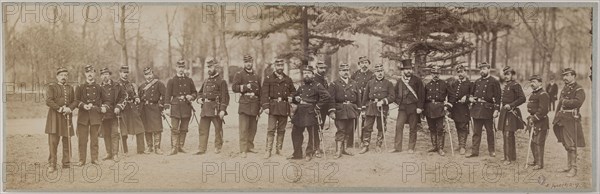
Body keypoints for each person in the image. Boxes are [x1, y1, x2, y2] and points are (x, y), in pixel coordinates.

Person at [288, 65, 331, 161]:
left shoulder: (317, 85)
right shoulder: (302, 87)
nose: (306, 75)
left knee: (312, 134)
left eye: (308, 73)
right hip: (300, 112)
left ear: (312, 74)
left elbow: (327, 96)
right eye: (305, 73)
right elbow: (295, 98)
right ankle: (297, 153)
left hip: (310, 111)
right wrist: (296, 98)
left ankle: (309, 153)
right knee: (295, 133)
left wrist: (317, 107)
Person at [260, 59, 296, 159]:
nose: (280, 67)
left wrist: (291, 96)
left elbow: (293, 91)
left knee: (281, 130)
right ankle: (268, 150)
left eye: (281, 65)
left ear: (283, 66)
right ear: (275, 66)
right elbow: (264, 94)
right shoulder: (269, 79)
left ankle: (279, 149)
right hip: (272, 107)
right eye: (278, 65)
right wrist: (266, 106)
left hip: (284, 108)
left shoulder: (288, 79)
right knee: (271, 129)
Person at [553, 68, 586, 177]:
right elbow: (559, 104)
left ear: (573, 76)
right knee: (566, 144)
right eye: (564, 75)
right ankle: (568, 166)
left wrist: (565, 102)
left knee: (572, 145)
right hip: (562, 119)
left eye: (567, 75)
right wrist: (555, 117)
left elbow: (578, 102)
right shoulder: (565, 88)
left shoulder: (579, 89)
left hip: (572, 120)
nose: (564, 78)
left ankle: (574, 168)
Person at [45, 67, 77, 172]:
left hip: (66, 117)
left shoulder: (70, 88)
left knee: (67, 140)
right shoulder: (52, 87)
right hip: (54, 117)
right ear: (57, 76)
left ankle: (66, 163)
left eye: (65, 75)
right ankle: (52, 164)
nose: (64, 77)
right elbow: (48, 101)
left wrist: (69, 108)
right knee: (53, 142)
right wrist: (59, 108)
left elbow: (75, 101)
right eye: (61, 75)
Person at [195, 58, 230, 155]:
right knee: (202, 129)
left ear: (216, 67)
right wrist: (199, 99)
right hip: (205, 108)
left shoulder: (221, 81)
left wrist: (222, 110)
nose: (209, 69)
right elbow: (200, 92)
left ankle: (218, 147)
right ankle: (202, 148)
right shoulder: (206, 80)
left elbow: (225, 97)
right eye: (208, 67)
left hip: (216, 108)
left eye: (211, 67)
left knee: (218, 129)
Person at [467, 62, 501, 158]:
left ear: (489, 69)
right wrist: (471, 98)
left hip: (488, 110)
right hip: (477, 109)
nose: (482, 71)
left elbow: (498, 97)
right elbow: (471, 94)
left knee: (490, 131)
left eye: (484, 69)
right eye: (481, 69)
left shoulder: (494, 82)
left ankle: (491, 150)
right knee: (476, 132)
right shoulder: (477, 81)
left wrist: (496, 110)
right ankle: (475, 151)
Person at [359, 63, 395, 154]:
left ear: (383, 72)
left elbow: (392, 96)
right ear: (374, 73)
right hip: (371, 106)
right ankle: (366, 145)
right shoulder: (370, 83)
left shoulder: (388, 83)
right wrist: (363, 108)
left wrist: (383, 101)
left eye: (381, 71)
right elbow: (365, 96)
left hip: (382, 107)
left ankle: (378, 145)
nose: (380, 73)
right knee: (367, 126)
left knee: (381, 127)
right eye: (377, 71)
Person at [390, 59, 424, 154]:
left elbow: (421, 95)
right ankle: (397, 147)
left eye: (410, 69)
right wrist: (398, 102)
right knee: (398, 126)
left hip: (414, 108)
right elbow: (395, 93)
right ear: (403, 70)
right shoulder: (400, 81)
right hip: (402, 108)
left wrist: (420, 107)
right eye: (406, 69)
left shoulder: (417, 81)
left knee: (413, 128)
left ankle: (411, 147)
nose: (408, 71)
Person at [165, 60, 197, 155]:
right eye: (179, 67)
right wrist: (167, 107)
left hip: (186, 107)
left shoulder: (189, 80)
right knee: (175, 128)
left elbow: (195, 92)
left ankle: (181, 146)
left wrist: (192, 97)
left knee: (184, 128)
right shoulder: (171, 81)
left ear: (184, 68)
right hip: (175, 107)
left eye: (182, 67)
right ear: (176, 68)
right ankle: (174, 148)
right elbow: (167, 95)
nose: (181, 69)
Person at [327, 63, 359, 158]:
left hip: (351, 110)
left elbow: (358, 99)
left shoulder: (354, 83)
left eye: (347, 70)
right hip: (340, 110)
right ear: (340, 72)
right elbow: (331, 99)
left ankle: (344, 149)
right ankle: (338, 151)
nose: (346, 72)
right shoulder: (334, 84)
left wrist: (358, 110)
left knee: (349, 130)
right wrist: (332, 111)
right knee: (341, 130)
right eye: (343, 70)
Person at [232, 55, 261, 158]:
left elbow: (260, 91)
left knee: (253, 128)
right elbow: (234, 88)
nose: (248, 64)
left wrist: (260, 105)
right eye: (246, 62)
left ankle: (250, 146)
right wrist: (245, 87)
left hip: (254, 105)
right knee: (244, 128)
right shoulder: (239, 74)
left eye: (250, 62)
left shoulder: (256, 75)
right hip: (244, 104)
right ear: (244, 63)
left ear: (252, 62)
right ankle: (243, 149)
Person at [74, 65, 104, 166]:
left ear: (95, 74)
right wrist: (83, 105)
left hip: (95, 116)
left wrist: (99, 108)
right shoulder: (80, 87)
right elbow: (76, 100)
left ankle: (94, 158)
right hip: (83, 116)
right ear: (85, 74)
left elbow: (103, 101)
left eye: (92, 72)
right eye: (88, 72)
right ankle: (81, 159)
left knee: (94, 139)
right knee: (82, 139)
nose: (90, 74)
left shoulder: (99, 87)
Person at [497, 66, 526, 165]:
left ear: (512, 75)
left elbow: (522, 98)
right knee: (506, 134)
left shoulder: (516, 85)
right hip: (504, 112)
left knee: (508, 134)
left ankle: (508, 159)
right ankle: (510, 156)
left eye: (508, 74)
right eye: (505, 74)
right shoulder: (506, 85)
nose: (506, 76)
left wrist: (512, 105)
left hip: (511, 113)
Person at [116, 66, 146, 155]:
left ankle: (141, 150)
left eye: (126, 72)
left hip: (132, 108)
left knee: (140, 128)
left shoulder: (130, 84)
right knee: (123, 131)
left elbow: (134, 94)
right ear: (120, 73)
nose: (125, 74)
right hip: (123, 109)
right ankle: (125, 151)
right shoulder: (117, 85)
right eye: (123, 72)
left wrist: (136, 98)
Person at [423, 64, 451, 156]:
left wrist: (447, 105)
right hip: (429, 109)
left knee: (440, 129)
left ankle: (440, 148)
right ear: (431, 74)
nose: (436, 75)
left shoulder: (444, 84)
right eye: (434, 73)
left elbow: (451, 96)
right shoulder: (427, 85)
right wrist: (423, 111)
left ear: (440, 74)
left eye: (437, 73)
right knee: (432, 128)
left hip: (440, 109)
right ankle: (434, 146)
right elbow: (423, 98)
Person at [99, 67, 126, 161]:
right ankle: (108, 153)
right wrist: (101, 107)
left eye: (106, 74)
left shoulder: (117, 85)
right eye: (103, 74)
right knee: (106, 134)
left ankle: (115, 154)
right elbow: (97, 100)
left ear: (110, 75)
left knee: (114, 133)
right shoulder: (99, 87)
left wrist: (119, 106)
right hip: (104, 114)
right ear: (101, 76)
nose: (105, 76)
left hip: (115, 114)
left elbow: (124, 97)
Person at [138, 67, 167, 155]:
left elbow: (165, 95)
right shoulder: (142, 86)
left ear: (152, 74)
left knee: (157, 128)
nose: (149, 76)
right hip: (145, 109)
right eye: (146, 74)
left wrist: (161, 106)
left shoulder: (159, 84)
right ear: (144, 76)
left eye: (150, 74)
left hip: (155, 108)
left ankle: (157, 147)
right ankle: (149, 146)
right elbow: (139, 98)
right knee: (147, 128)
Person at [448, 65, 473, 155]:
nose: (460, 74)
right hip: (456, 108)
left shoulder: (470, 84)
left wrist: (466, 97)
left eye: (462, 72)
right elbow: (451, 96)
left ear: (466, 72)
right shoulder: (454, 84)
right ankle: (460, 144)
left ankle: (463, 146)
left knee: (463, 127)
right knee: (457, 126)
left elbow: (472, 96)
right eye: (458, 72)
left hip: (464, 108)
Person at [526, 75, 550, 170]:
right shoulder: (533, 93)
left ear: (540, 83)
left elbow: (543, 110)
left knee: (538, 142)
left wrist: (534, 118)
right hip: (533, 120)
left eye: (534, 81)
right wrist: (531, 118)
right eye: (531, 82)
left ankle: (540, 164)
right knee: (532, 142)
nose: (532, 83)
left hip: (541, 121)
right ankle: (536, 161)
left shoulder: (543, 94)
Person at [350, 56, 375, 148]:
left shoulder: (372, 75)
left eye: (366, 63)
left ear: (368, 64)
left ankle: (363, 141)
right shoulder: (355, 74)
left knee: (365, 122)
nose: (364, 65)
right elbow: (350, 85)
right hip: (356, 101)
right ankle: (350, 142)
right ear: (359, 64)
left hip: (367, 101)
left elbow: (373, 88)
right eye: (362, 63)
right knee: (353, 120)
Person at [312, 61, 330, 158]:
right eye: (321, 68)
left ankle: (317, 146)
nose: (323, 70)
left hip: (323, 108)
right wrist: (317, 106)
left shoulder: (324, 79)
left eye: (324, 68)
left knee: (320, 128)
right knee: (316, 128)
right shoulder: (314, 79)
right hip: (316, 107)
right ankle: (316, 148)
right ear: (317, 68)